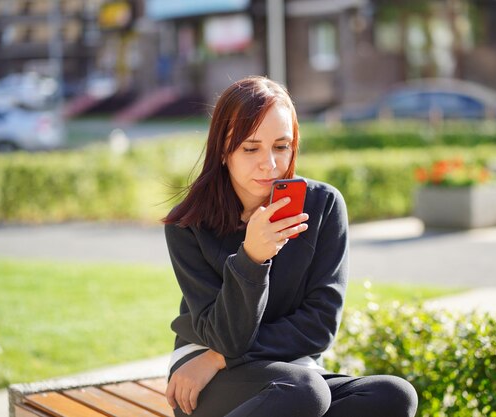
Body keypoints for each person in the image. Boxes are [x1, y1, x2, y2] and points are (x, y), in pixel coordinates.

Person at [163, 76, 418, 417]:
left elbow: (319, 326)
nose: (269, 164)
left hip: (282, 368)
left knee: (394, 395)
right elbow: (225, 337)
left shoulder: (323, 206)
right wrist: (251, 259)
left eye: (281, 147)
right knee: (305, 393)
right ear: (223, 150)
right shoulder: (189, 224)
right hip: (200, 374)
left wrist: (218, 359)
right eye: (250, 148)